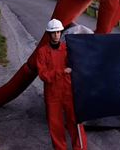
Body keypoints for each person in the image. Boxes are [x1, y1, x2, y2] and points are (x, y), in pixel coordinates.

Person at [36, 19, 87, 150]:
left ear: (61, 32)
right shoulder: (42, 52)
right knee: (55, 125)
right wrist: (61, 71)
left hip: (69, 91)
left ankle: (80, 148)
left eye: (58, 32)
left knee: (75, 122)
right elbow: (43, 75)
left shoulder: (68, 49)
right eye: (53, 32)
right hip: (52, 94)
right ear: (49, 34)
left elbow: (80, 63)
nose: (56, 35)